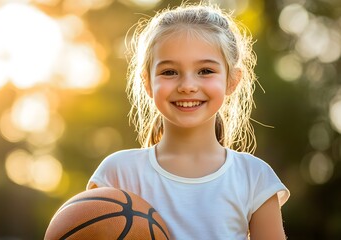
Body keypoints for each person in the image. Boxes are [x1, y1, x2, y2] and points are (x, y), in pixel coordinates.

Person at [87, 1, 290, 239]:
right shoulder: (118, 174)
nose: (187, 86)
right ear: (147, 83)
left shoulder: (254, 177)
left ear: (232, 80)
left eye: (205, 71)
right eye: (169, 72)